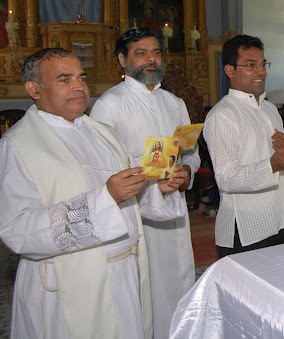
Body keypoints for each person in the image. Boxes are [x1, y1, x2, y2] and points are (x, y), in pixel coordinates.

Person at [0, 48, 182, 338]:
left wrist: (156, 188)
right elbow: (17, 230)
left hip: (123, 272)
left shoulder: (103, 134)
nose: (79, 86)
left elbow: (126, 200)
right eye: (64, 79)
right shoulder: (19, 145)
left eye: (81, 78)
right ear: (34, 89)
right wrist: (105, 199)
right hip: (67, 283)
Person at [90, 27, 200, 339]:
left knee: (177, 280)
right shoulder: (108, 105)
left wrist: (187, 174)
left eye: (156, 53)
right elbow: (101, 168)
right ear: (122, 60)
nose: (151, 59)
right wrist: (151, 182)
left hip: (175, 213)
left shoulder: (174, 102)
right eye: (141, 53)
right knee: (144, 290)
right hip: (134, 216)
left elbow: (190, 154)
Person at [204, 35, 284, 258]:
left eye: (263, 64)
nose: (261, 71)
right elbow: (226, 178)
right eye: (250, 65)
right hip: (246, 226)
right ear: (230, 71)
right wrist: (273, 165)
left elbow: (280, 161)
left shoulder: (269, 109)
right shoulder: (223, 115)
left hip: (280, 216)